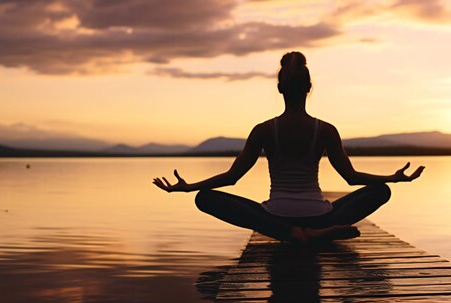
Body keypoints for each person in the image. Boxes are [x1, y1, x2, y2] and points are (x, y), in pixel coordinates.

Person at [153, 51, 424, 244]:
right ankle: (318, 231)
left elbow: (232, 178)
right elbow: (351, 178)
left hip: (275, 218)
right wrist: (392, 178)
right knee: (380, 191)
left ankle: (290, 233)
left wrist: (189, 187)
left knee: (205, 198)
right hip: (321, 216)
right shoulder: (325, 130)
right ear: (309, 88)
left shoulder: (263, 130)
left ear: (280, 88)